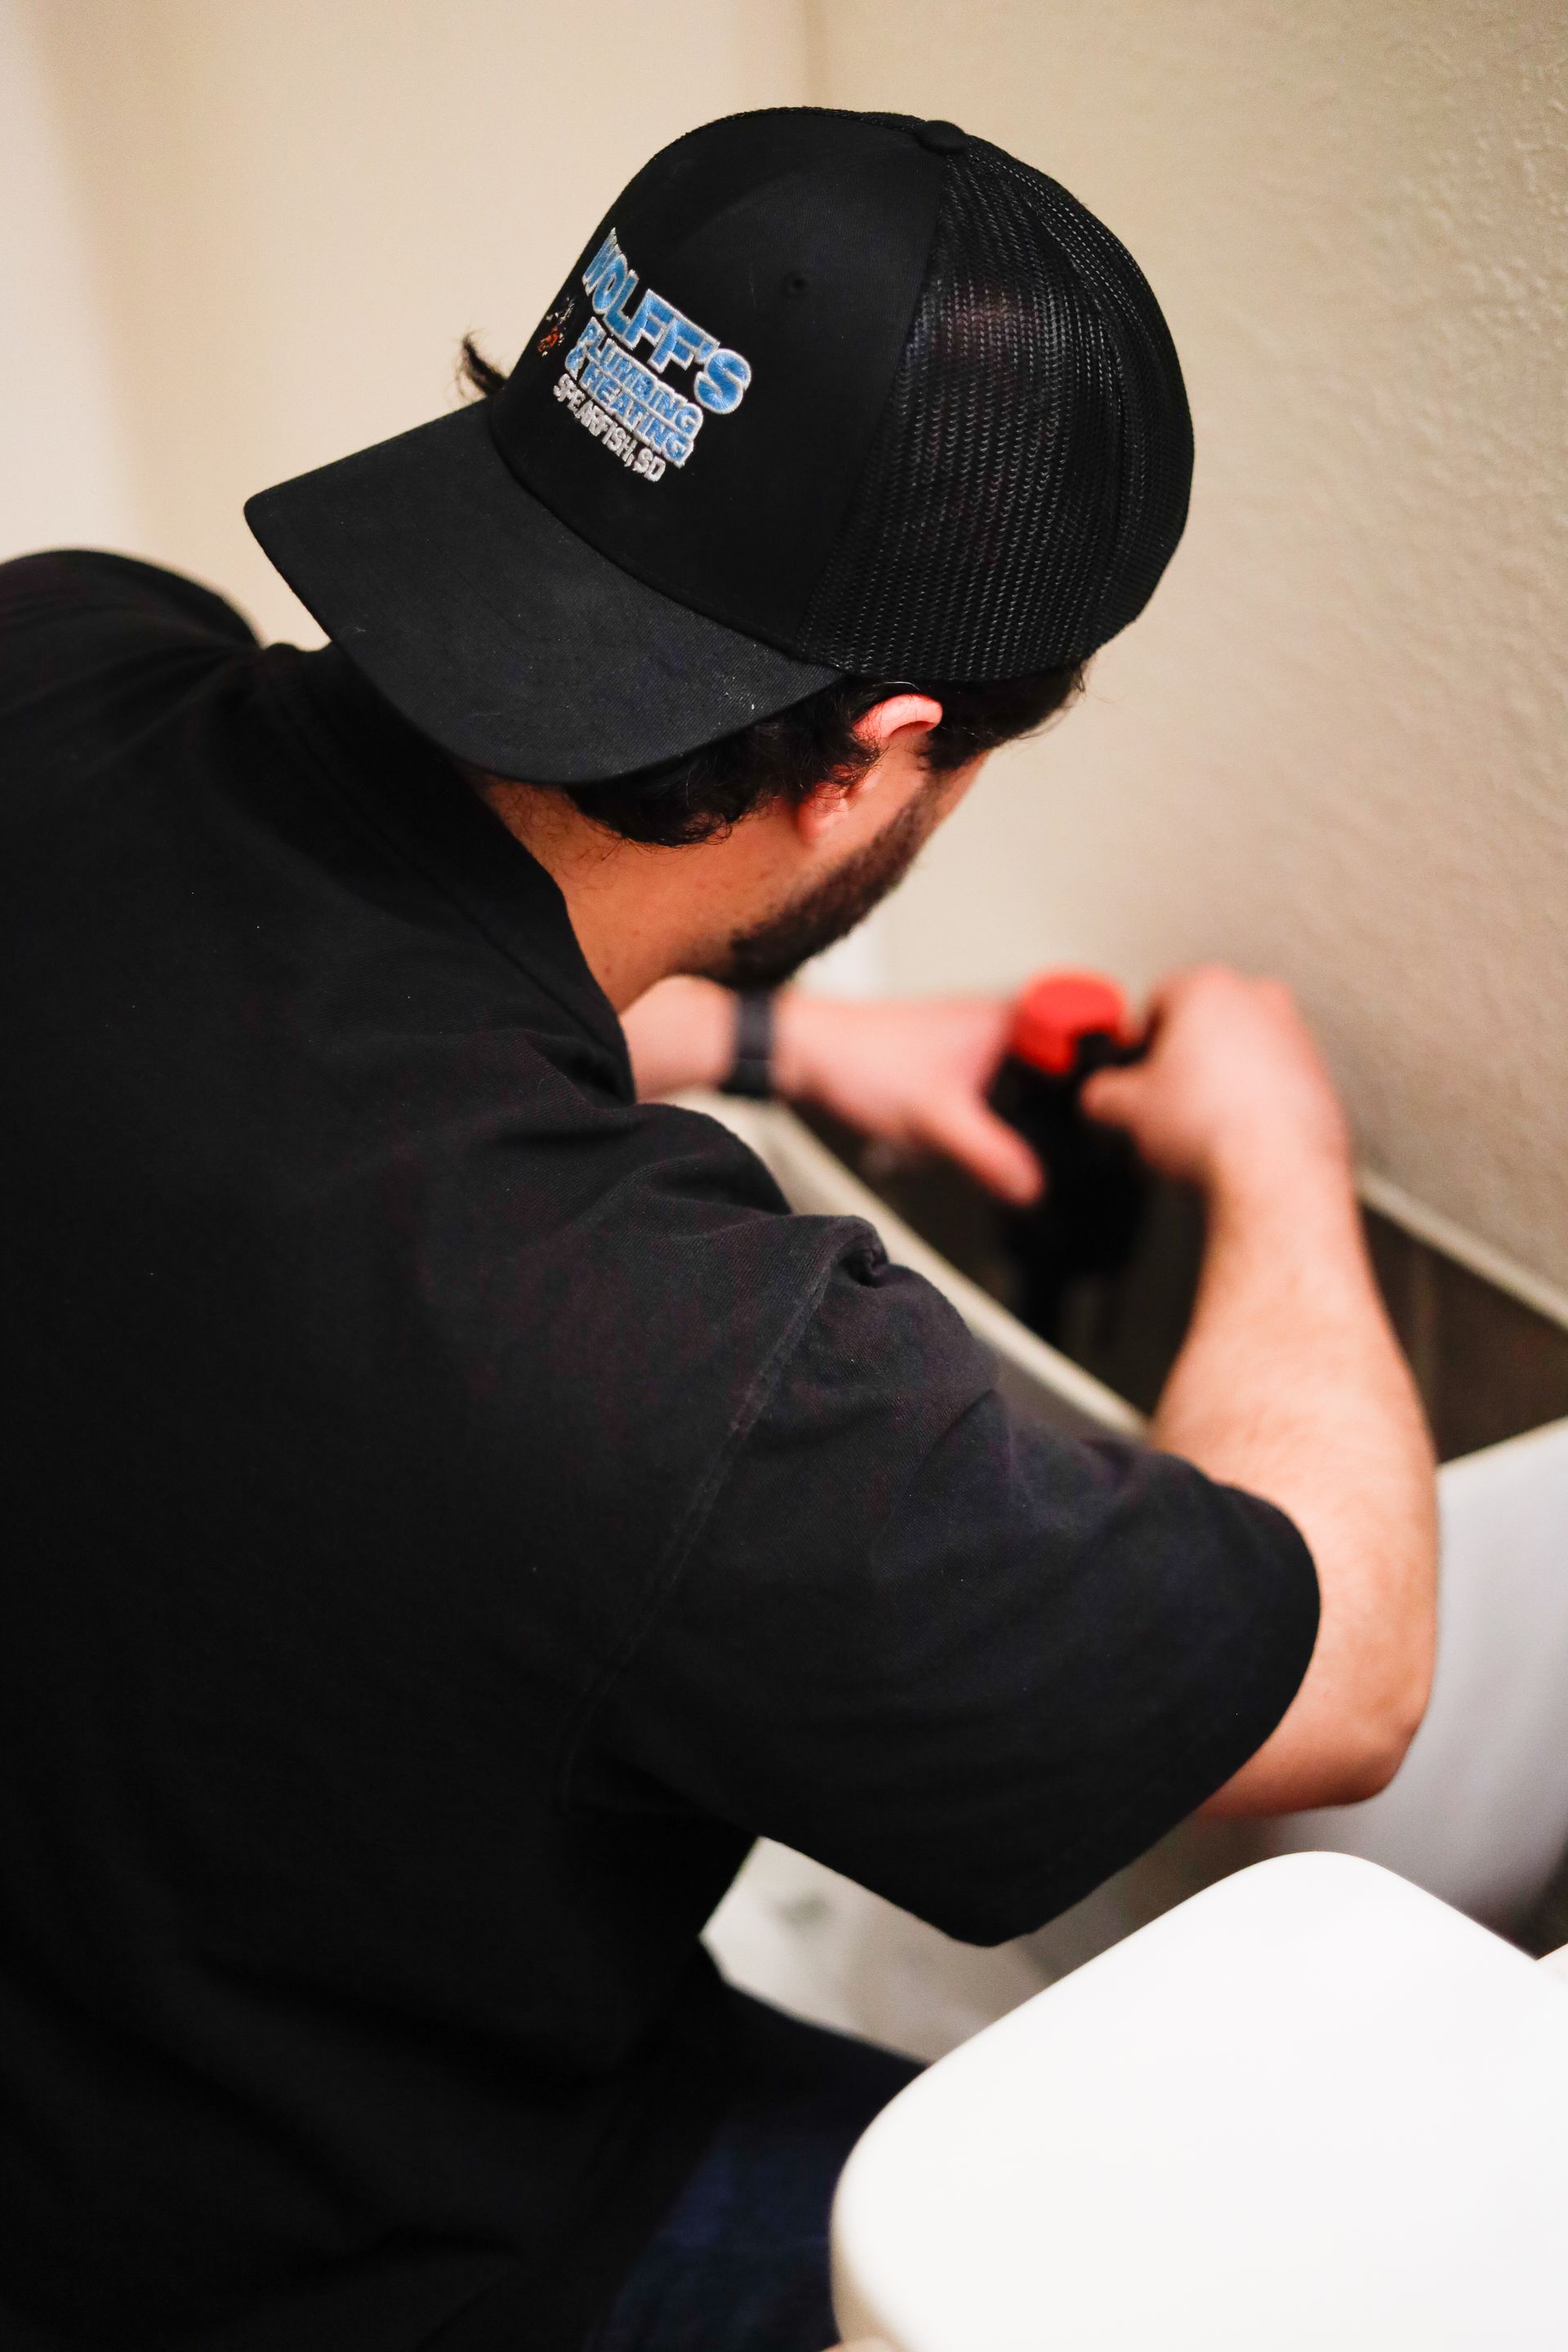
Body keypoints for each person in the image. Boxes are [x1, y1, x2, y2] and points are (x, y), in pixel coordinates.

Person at [0, 107, 1436, 2352]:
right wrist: (1272, 1138)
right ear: (874, 751)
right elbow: (1343, 1673)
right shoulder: (665, 1363)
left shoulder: (63, 656)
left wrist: (793, 1051)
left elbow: (305, 1017)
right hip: (327, 2262)